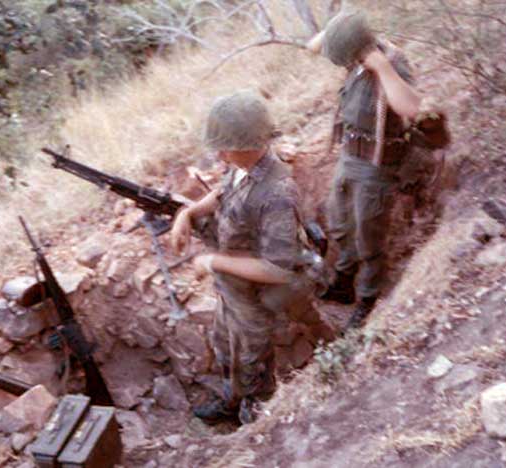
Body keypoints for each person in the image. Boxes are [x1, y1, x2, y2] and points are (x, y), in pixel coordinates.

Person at [170, 91, 334, 424]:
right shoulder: (242, 166)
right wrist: (186, 215)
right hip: (237, 284)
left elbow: (276, 268)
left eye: (225, 147)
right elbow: (222, 194)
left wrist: (214, 262)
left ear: (247, 145)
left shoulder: (275, 192)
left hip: (265, 285)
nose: (219, 154)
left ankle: (255, 413)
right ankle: (233, 400)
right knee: (223, 341)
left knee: (251, 356)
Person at [308, 11, 450, 329]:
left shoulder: (390, 62)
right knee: (339, 222)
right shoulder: (354, 55)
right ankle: (345, 279)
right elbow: (312, 46)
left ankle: (368, 297)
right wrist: (339, 28)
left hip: (377, 164)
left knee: (368, 234)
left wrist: (382, 67)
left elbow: (412, 109)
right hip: (350, 155)